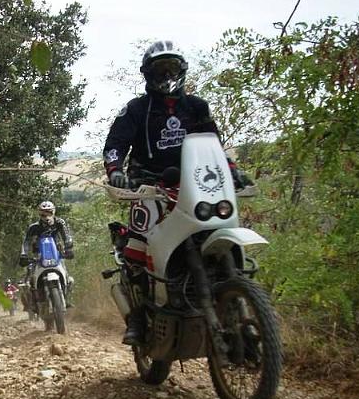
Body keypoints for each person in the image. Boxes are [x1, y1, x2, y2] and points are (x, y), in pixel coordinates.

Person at [103, 40, 255, 346]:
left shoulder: (196, 107)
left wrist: (232, 169)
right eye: (161, 69)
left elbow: (214, 144)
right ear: (148, 73)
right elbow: (115, 146)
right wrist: (116, 172)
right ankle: (136, 319)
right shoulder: (136, 110)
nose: (167, 74)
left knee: (219, 220)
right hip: (149, 185)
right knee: (138, 243)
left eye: (172, 68)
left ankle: (238, 304)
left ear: (182, 70)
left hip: (196, 183)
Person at [19, 201, 74, 307]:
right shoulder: (33, 227)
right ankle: (33, 303)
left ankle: (67, 299)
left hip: (57, 254)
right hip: (39, 256)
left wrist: (69, 248)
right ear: (39, 214)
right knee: (30, 280)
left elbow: (66, 236)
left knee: (69, 279)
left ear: (53, 212)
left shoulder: (60, 223)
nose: (46, 216)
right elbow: (26, 242)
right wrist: (24, 255)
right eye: (43, 213)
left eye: (49, 212)